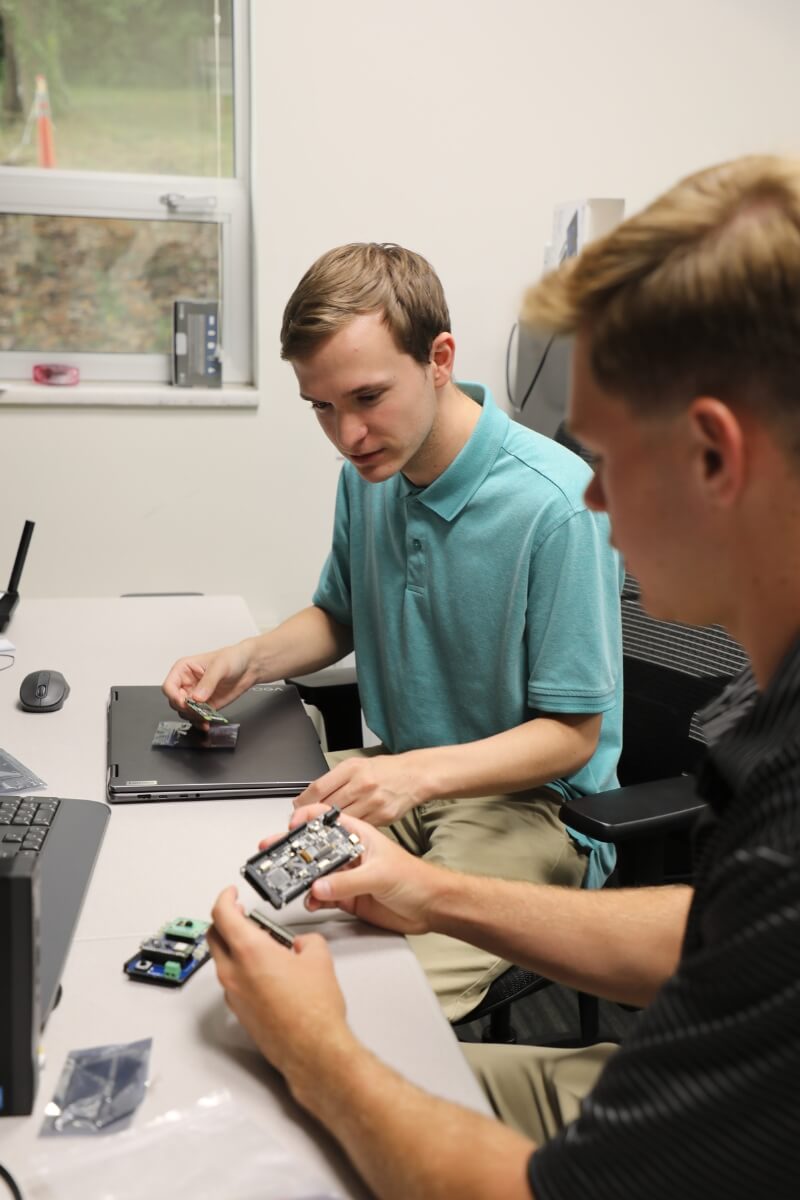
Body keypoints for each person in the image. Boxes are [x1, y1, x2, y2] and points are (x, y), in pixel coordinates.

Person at [207, 155, 800, 1199]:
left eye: (607, 460)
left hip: (528, 821)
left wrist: (319, 1053)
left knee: (312, 1080)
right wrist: (427, 892)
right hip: (459, 849)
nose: (597, 505)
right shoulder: (771, 736)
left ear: (712, 456)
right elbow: (714, 929)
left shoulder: (550, 504)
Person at [163, 242, 623, 1020]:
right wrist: (249, 658)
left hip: (531, 809)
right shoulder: (368, 477)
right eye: (322, 406)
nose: (348, 434)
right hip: (398, 779)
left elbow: (573, 737)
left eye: (368, 397)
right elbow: (338, 616)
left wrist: (410, 776)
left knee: (363, 1010)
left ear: (440, 358)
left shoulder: (557, 506)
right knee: (213, 880)